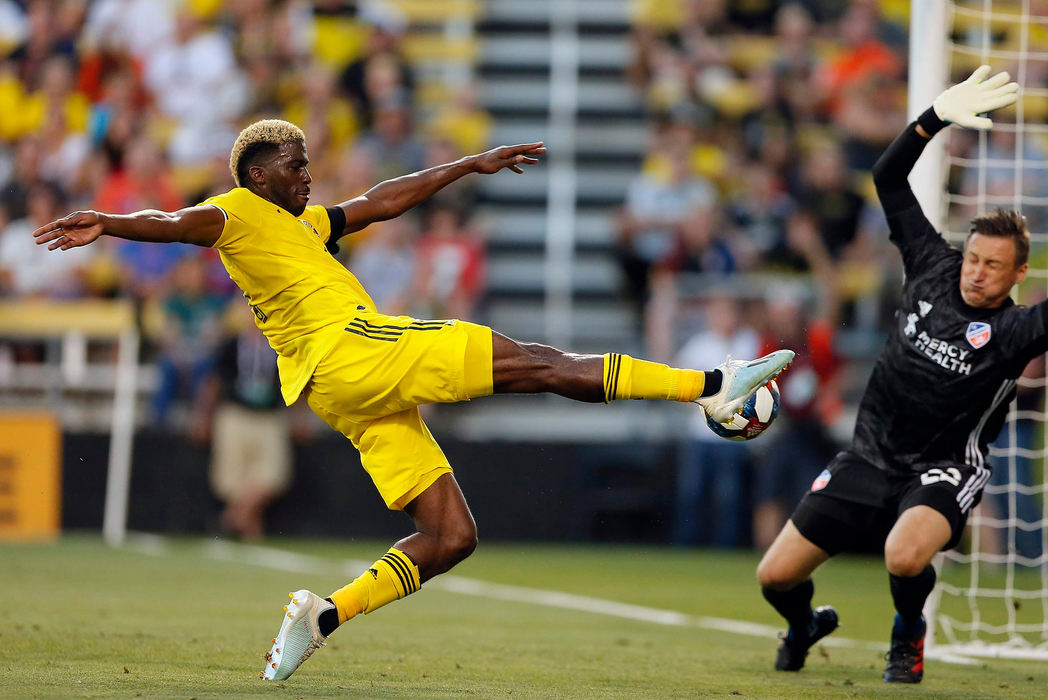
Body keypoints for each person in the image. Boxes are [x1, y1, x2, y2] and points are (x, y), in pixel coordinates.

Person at [34, 120, 794, 682]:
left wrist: (470, 163)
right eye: (295, 165)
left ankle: (323, 614)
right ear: (260, 174)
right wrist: (111, 222)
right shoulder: (236, 210)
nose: (307, 174)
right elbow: (176, 224)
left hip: (344, 389)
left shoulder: (297, 224)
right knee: (534, 362)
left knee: (451, 535)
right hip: (354, 348)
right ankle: (711, 388)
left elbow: (380, 202)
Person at [756, 66, 1028, 684]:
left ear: (1018, 277)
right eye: (975, 258)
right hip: (870, 455)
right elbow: (886, 176)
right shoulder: (933, 264)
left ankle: (908, 635)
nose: (978, 272)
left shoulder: (1018, 330)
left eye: (994, 266)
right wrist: (932, 117)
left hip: (943, 467)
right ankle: (804, 626)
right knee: (774, 577)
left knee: (903, 554)